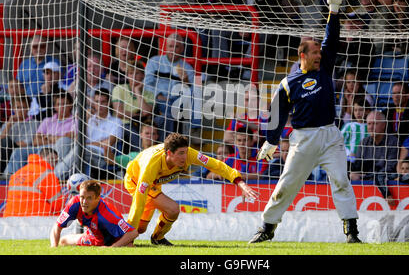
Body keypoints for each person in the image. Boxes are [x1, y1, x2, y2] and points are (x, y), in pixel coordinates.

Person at [249, 0, 361, 244]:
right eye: (314, 53)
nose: (319, 55)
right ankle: (266, 228)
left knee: (341, 182)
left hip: (330, 136)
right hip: (304, 140)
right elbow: (277, 113)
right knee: (286, 185)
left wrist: (334, 11)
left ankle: (352, 232)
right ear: (302, 55)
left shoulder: (325, 67)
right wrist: (271, 141)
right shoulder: (289, 83)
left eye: (320, 53)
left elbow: (331, 39)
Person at [124, 132, 258, 245]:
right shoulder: (151, 165)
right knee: (172, 209)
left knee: (141, 228)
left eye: (186, 152)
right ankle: (125, 236)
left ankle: (156, 238)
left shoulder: (190, 154)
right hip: (135, 180)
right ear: (169, 153)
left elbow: (216, 165)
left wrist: (240, 182)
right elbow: (138, 201)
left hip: (154, 185)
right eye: (181, 153)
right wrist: (129, 236)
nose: (185, 157)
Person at [54, 88, 123, 180]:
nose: (100, 105)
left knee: (79, 149)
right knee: (63, 141)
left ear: (109, 103)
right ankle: (65, 176)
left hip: (102, 156)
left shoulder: (116, 121)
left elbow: (107, 144)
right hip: (84, 150)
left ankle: (55, 177)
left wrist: (86, 144)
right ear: (94, 103)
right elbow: (77, 140)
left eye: (103, 102)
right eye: (97, 101)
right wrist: (85, 121)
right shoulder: (89, 119)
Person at [4, 92, 76, 176]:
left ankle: (54, 176)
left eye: (65, 104)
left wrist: (48, 137)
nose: (61, 107)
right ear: (55, 106)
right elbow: (35, 141)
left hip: (58, 149)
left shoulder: (75, 121)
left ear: (71, 105)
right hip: (41, 148)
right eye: (58, 104)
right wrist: (56, 138)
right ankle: (14, 177)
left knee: (63, 141)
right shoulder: (47, 120)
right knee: (18, 152)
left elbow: (72, 138)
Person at [50, 179, 138, 247]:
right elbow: (57, 226)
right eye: (82, 197)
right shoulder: (74, 204)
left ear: (98, 198)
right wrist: (53, 247)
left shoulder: (107, 213)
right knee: (63, 241)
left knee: (128, 245)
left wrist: (113, 247)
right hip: (94, 238)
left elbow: (133, 233)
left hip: (114, 240)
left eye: (89, 198)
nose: (84, 202)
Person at [144, 33, 196, 134]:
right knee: (169, 109)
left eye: (177, 47)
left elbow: (192, 92)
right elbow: (146, 84)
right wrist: (158, 95)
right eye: (171, 46)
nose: (173, 50)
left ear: (182, 49)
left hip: (178, 101)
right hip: (158, 100)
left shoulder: (187, 68)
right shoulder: (154, 62)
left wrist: (185, 81)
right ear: (166, 47)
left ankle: (194, 129)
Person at [351, 111, 399, 206]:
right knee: (353, 175)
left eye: (375, 123)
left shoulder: (393, 142)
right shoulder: (364, 142)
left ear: (383, 125)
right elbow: (358, 166)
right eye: (369, 124)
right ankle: (357, 201)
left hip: (385, 178)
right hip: (368, 176)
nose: (371, 127)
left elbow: (391, 167)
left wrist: (373, 172)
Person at [3, 147, 64, 217]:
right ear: (41, 157)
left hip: (10, 218)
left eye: (56, 161)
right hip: (35, 219)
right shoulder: (48, 175)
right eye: (51, 159)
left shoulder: (18, 173)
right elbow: (57, 204)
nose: (53, 163)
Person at [112, 60, 155, 155]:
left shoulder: (149, 93)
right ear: (127, 76)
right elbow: (119, 113)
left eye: (137, 73)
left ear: (143, 76)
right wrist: (136, 115)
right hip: (125, 124)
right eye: (131, 73)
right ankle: (143, 156)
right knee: (131, 131)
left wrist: (137, 91)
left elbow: (147, 112)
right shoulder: (119, 88)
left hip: (143, 125)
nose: (134, 76)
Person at [0, 95, 40, 175]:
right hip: (6, 148)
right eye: (18, 107)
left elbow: (26, 143)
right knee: (4, 142)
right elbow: (1, 138)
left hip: (22, 149)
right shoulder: (9, 122)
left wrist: (9, 143)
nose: (20, 110)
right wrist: (9, 124)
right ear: (14, 109)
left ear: (28, 108)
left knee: (6, 142)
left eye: (23, 107)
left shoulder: (34, 123)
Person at [382, 81, 409, 146]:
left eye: (399, 93)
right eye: (394, 93)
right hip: (390, 145)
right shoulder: (387, 112)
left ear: (407, 95)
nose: (396, 96)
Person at [340, 96, 370, 165]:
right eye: (355, 110)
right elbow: (339, 142)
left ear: (367, 111)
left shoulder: (370, 126)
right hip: (350, 159)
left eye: (361, 110)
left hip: (366, 159)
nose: (358, 113)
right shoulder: (349, 126)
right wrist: (348, 153)